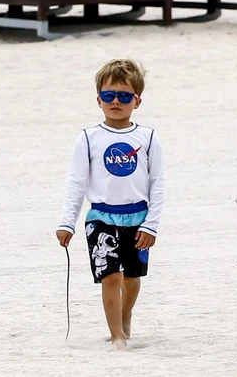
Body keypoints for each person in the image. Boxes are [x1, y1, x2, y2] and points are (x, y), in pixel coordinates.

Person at [55, 59, 165, 351]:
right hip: (101, 218)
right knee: (110, 276)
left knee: (131, 278)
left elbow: (158, 184)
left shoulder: (148, 137)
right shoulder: (89, 138)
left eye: (124, 96)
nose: (116, 101)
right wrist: (67, 222)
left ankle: (125, 317)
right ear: (99, 100)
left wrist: (151, 224)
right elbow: (76, 182)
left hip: (138, 218)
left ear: (137, 101)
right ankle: (117, 335)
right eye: (109, 95)